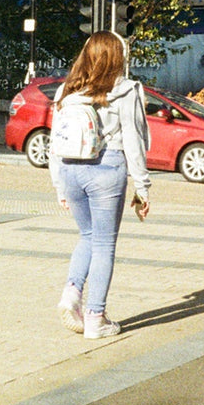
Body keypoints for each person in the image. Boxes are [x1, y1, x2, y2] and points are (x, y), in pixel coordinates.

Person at [49, 30, 151, 340]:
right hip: (107, 169)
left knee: (88, 236)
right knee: (105, 243)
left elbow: (55, 142)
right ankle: (96, 317)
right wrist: (142, 186)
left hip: (70, 170)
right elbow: (133, 140)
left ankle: (71, 293)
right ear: (118, 58)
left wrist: (58, 186)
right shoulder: (127, 90)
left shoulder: (66, 92)